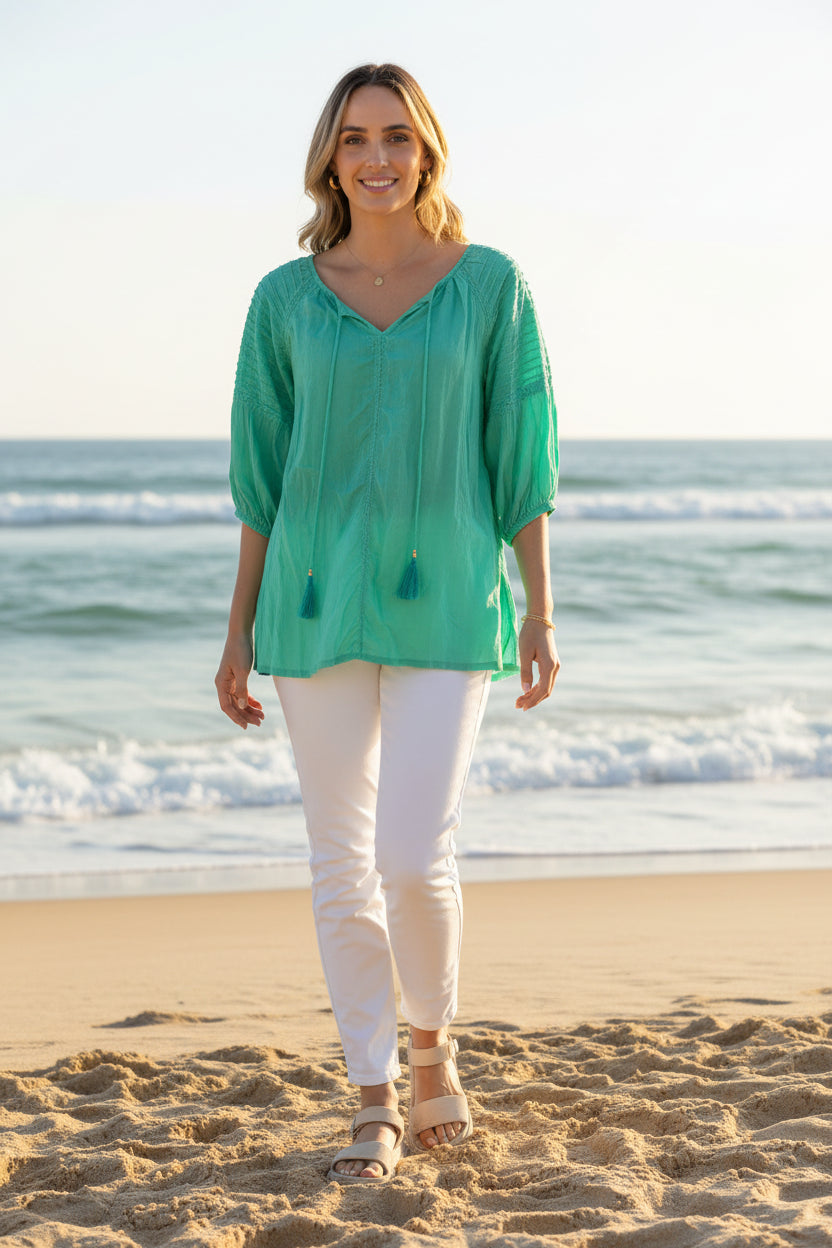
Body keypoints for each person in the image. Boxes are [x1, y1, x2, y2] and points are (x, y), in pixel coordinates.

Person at [215, 63, 559, 1183]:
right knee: (339, 863)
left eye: (396, 137)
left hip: (451, 595)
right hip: (312, 601)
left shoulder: (490, 285)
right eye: (355, 137)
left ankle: (430, 1045)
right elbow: (260, 480)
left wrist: (541, 610)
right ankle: (370, 1086)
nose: (376, 156)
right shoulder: (283, 298)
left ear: (426, 152)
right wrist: (236, 631)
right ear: (330, 156)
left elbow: (523, 457)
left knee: (412, 857)